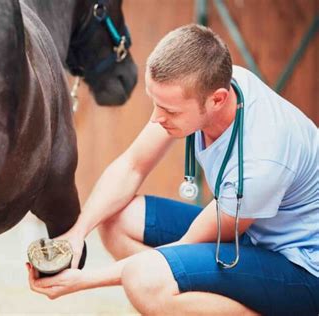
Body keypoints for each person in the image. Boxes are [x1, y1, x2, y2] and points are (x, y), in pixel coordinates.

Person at [26, 24, 319, 315]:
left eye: (170, 111)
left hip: (301, 271)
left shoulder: (261, 163)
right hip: (255, 234)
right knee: (117, 220)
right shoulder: (221, 82)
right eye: (155, 103)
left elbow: (184, 248)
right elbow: (131, 165)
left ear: (217, 99)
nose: (157, 118)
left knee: (146, 281)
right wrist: (77, 233)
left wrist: (81, 281)